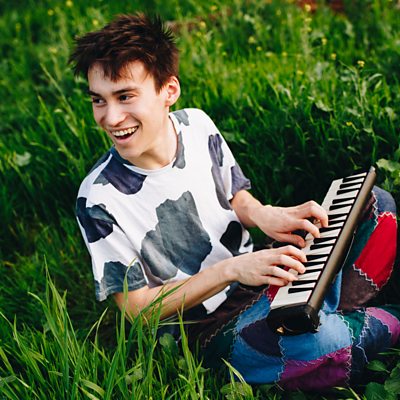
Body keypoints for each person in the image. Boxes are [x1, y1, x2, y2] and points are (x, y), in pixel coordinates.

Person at [70, 13, 400, 391]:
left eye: (125, 96)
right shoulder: (97, 199)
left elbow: (234, 196)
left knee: (375, 204)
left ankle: (319, 308)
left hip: (259, 273)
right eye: (98, 100)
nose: (111, 118)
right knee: (311, 343)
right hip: (209, 328)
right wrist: (230, 270)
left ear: (168, 90)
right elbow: (138, 310)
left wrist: (265, 214)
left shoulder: (195, 125)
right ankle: (365, 316)